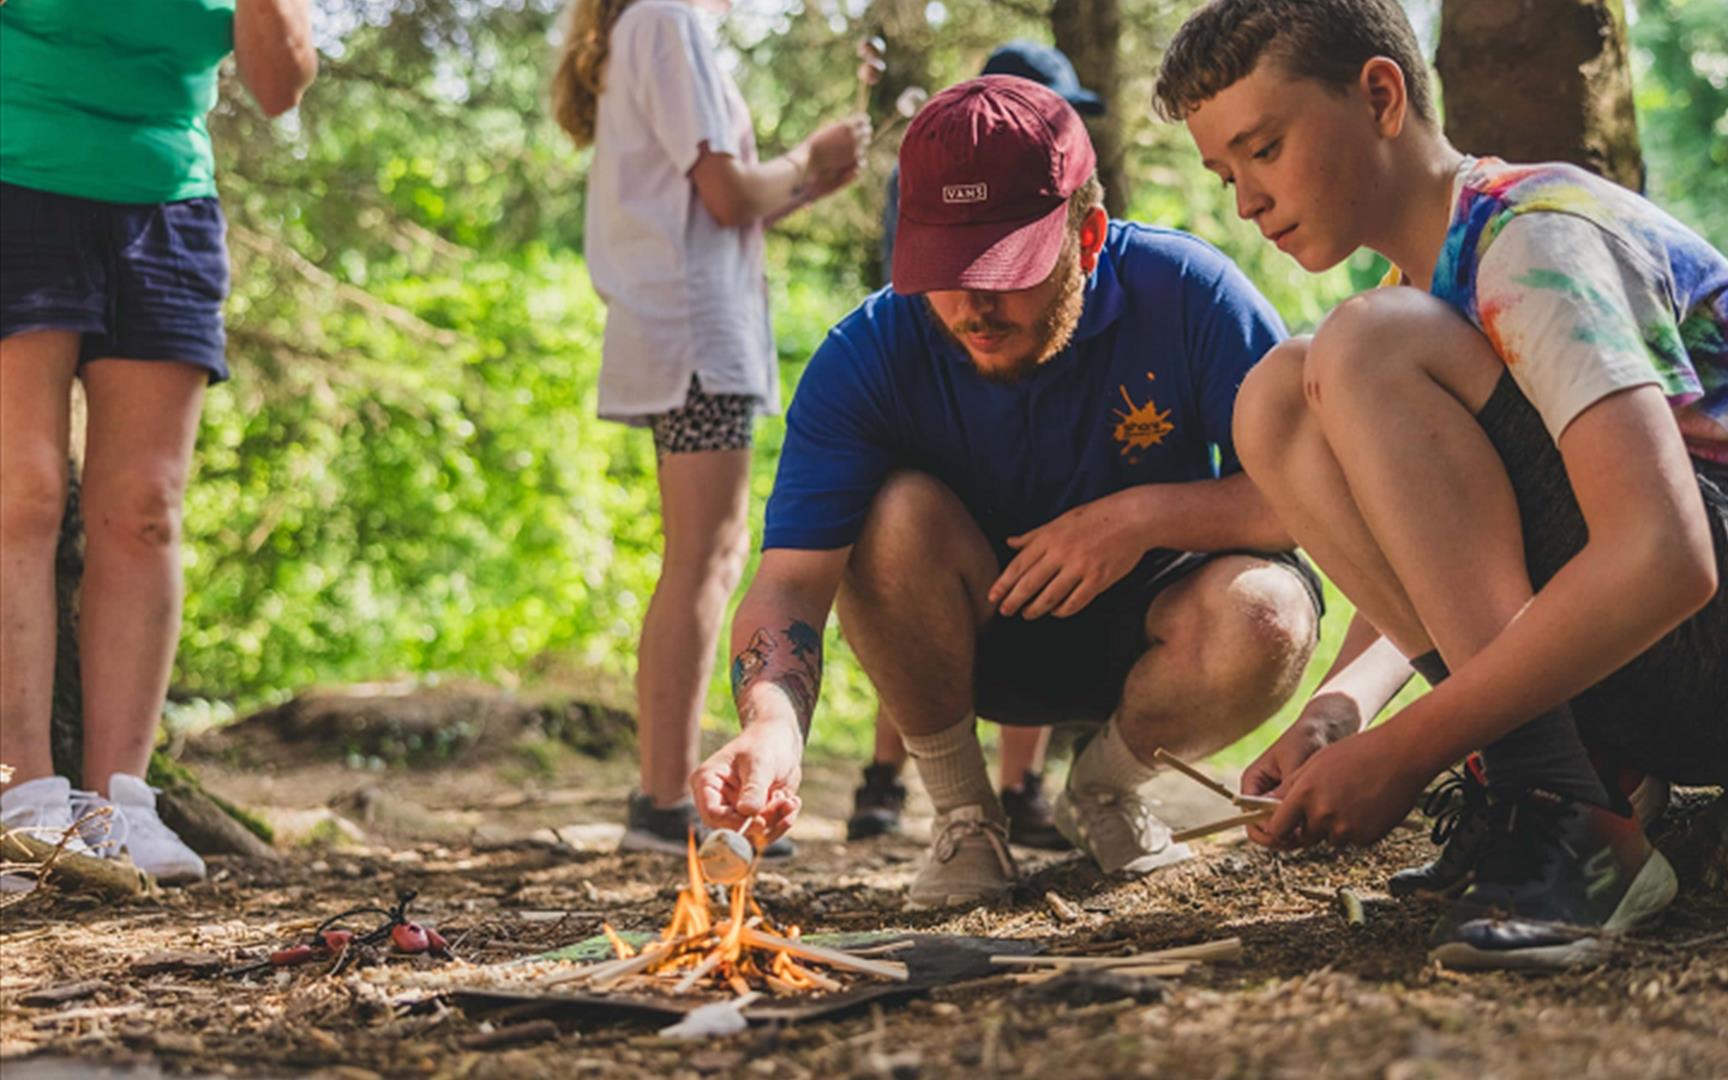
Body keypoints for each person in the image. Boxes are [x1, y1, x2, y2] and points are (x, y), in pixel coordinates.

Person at [1155, 0, 1728, 969]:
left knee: (1350, 351)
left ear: (1381, 96)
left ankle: (1568, 813)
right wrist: (1338, 713)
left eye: (1264, 149)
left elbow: (1666, 556)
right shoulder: (1412, 303)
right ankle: (1560, 780)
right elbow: (1443, 549)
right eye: (1225, 174)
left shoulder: (1529, 239)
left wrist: (1412, 745)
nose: (1245, 201)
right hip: (1688, 643)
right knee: (1277, 405)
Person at [691, 77, 1376, 911]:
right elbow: (791, 583)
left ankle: (1104, 791)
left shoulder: (1191, 295)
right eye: (944, 269)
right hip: (975, 638)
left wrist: (1140, 518)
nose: (971, 306)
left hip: (1163, 634)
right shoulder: (867, 353)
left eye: (1003, 270)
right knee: (889, 514)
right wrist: (770, 726)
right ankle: (966, 816)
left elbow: (1310, 499)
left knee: (1269, 607)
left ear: (1086, 236)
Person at [0, 0, 317, 887]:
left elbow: (279, 87)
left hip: (165, 202)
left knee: (143, 512)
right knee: (18, 492)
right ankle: (21, 805)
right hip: (15, 177)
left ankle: (117, 808)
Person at [550, 0, 869, 856]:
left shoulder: (646, 25)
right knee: (705, 554)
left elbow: (716, 206)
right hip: (691, 335)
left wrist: (811, 177)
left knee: (704, 553)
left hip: (684, 327)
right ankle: (661, 803)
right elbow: (726, 196)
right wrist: (807, 159)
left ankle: (660, 798)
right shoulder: (665, 18)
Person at [851, 40, 1109, 849]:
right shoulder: (944, 167)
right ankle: (902, 776)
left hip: (1025, 357)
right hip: (947, 393)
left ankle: (1013, 784)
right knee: (903, 553)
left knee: (1027, 545)